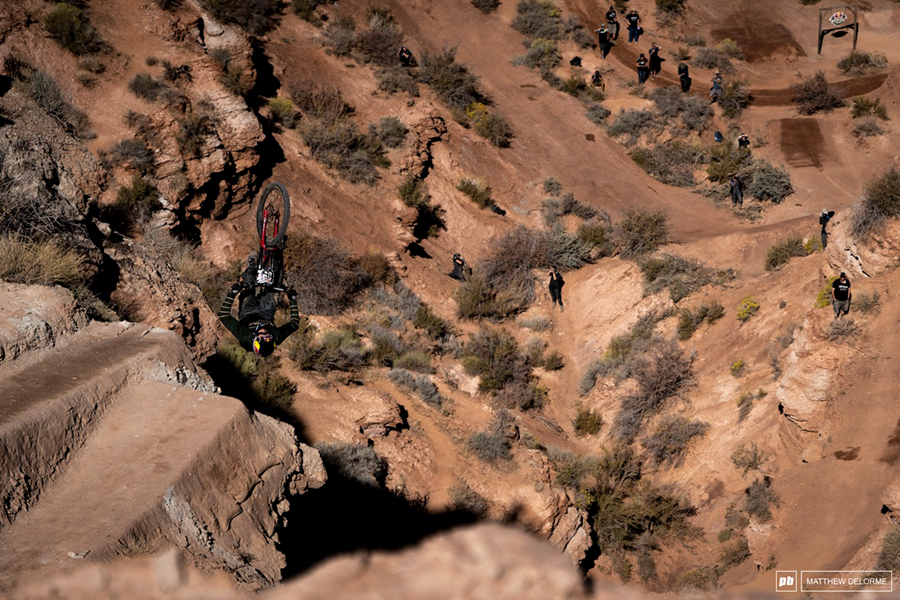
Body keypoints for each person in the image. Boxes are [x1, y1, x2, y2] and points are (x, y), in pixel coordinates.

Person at [218, 257, 300, 357]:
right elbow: (294, 324)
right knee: (273, 285)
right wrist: (292, 299)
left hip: (247, 314)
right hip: (266, 315)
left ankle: (251, 266)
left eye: (263, 336)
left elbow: (223, 315)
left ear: (255, 339)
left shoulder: (244, 336)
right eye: (268, 335)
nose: (265, 332)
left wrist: (233, 292)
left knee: (249, 283)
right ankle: (276, 263)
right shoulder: (277, 336)